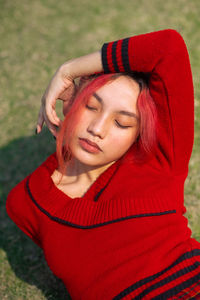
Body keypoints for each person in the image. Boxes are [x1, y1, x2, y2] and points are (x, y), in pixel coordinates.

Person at [6, 29, 200, 299]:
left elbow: (167, 48)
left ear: (137, 133)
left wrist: (67, 70)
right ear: (71, 101)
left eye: (122, 123)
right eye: (91, 106)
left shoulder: (156, 163)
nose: (98, 128)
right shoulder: (28, 201)